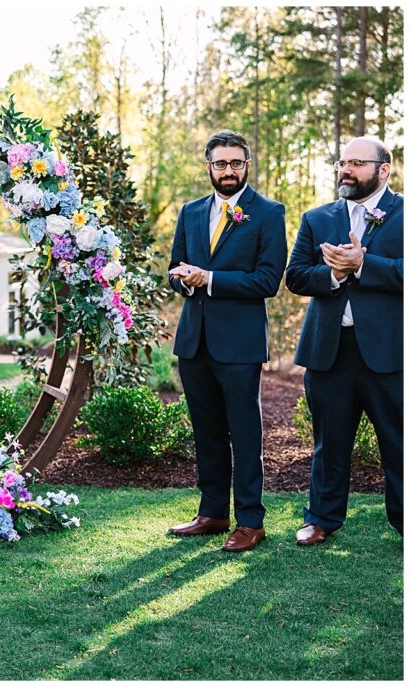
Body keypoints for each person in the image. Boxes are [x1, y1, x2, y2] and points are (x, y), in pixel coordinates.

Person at [166, 130, 287, 552]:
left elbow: (268, 280)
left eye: (236, 163)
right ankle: (213, 513)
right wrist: (183, 279)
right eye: (221, 163)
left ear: (247, 165)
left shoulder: (268, 213)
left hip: (239, 344)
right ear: (209, 167)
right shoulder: (191, 211)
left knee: (244, 432)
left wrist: (211, 279)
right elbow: (174, 268)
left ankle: (251, 521)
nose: (229, 170)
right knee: (207, 431)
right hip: (194, 341)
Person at [285, 136, 403, 545]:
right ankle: (321, 519)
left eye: (356, 162)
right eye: (342, 162)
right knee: (328, 444)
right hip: (329, 351)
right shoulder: (317, 217)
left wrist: (365, 263)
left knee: (399, 443)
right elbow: (295, 275)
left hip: (390, 352)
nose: (345, 170)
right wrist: (334, 274)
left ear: (383, 170)